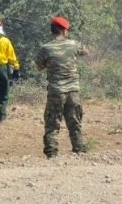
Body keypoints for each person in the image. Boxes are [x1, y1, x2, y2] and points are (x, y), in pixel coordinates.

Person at [35, 15, 89, 159]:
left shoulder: (45, 48)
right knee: (75, 122)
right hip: (73, 91)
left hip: (56, 92)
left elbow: (39, 67)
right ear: (64, 30)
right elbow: (86, 51)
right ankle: (80, 151)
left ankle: (52, 154)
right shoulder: (73, 44)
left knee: (52, 123)